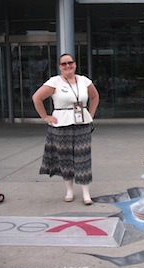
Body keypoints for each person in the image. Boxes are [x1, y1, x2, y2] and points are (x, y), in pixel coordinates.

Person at [32, 53, 100, 205]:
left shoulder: (84, 80)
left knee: (83, 157)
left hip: (82, 123)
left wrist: (91, 113)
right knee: (65, 158)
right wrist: (46, 117)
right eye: (64, 64)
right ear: (59, 66)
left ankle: (85, 193)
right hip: (61, 124)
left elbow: (95, 97)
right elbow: (37, 98)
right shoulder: (54, 82)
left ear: (75, 64)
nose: (68, 66)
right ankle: (69, 190)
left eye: (70, 62)